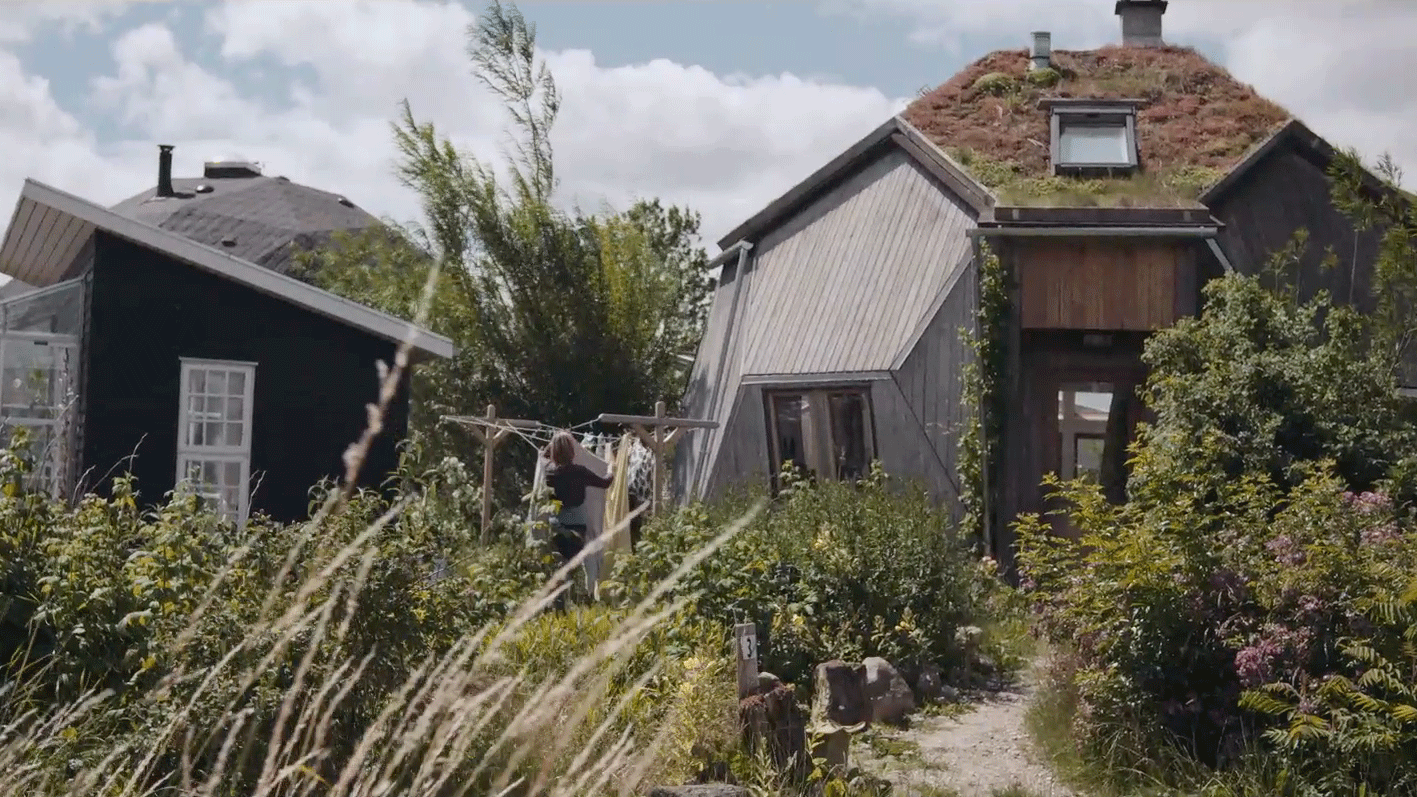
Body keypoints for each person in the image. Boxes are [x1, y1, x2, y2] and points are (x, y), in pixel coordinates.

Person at [543, 430, 616, 566]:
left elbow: (544, 456)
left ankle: (562, 585)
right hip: (577, 525)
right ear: (572, 450)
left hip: (557, 523)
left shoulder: (549, 472)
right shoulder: (579, 471)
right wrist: (611, 470)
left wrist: (555, 442)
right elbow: (605, 483)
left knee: (561, 565)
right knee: (575, 564)